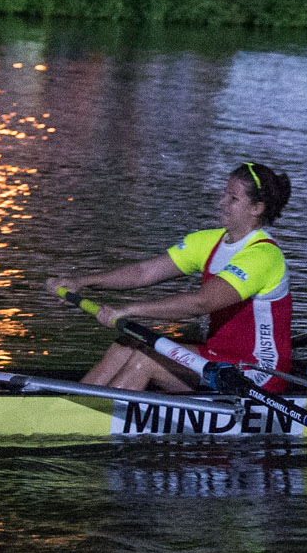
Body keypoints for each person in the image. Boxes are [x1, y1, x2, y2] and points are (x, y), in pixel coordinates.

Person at [62, 163, 293, 392]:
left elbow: (201, 303)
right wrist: (80, 282)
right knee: (126, 343)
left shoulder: (264, 255)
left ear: (257, 208)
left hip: (257, 374)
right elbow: (143, 272)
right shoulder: (208, 241)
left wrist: (129, 310)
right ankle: (70, 407)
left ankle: (91, 420)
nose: (221, 202)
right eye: (224, 194)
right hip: (217, 358)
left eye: (233, 198)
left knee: (147, 360)